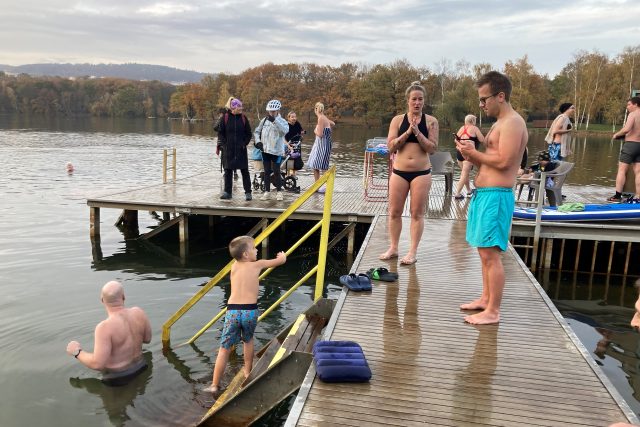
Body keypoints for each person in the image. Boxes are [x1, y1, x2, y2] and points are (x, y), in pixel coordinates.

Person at [456, 71, 528, 325]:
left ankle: (493, 311)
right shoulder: (500, 123)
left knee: (491, 254)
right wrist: (469, 152)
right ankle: (486, 299)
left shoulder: (513, 123)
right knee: (483, 251)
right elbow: (493, 157)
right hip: (485, 194)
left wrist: (473, 155)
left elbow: (504, 161)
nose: (481, 104)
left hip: (496, 197)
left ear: (501, 95)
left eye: (484, 99)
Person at [205, 236, 286, 394]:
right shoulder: (257, 265)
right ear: (246, 255)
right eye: (254, 248)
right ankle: (247, 372)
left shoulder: (234, 266)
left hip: (233, 311)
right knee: (247, 340)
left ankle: (214, 385)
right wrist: (282, 256)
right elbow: (278, 262)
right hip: (249, 311)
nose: (257, 250)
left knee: (224, 348)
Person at [379, 81, 439, 265]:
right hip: (399, 172)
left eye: (420, 99)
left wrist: (418, 133)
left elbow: (433, 149)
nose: (417, 103)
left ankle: (412, 252)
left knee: (416, 213)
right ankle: (394, 248)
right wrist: (407, 132)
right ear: (408, 100)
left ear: (424, 101)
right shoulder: (397, 120)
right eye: (414, 99)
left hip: (421, 173)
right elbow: (390, 147)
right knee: (394, 212)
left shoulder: (431, 121)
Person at [66, 281, 152, 384]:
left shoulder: (104, 328)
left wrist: (77, 352)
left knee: (122, 400)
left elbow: (97, 364)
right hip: (142, 367)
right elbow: (147, 339)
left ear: (102, 300)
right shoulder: (139, 313)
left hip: (118, 378)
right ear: (123, 297)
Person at [217, 98, 253, 201]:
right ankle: (227, 192)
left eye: (241, 106)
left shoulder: (243, 118)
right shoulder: (225, 118)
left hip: (241, 149)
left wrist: (244, 143)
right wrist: (224, 145)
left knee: (244, 170)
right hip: (229, 149)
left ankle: (248, 193)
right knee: (228, 170)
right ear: (233, 107)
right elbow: (220, 133)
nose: (241, 108)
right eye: (239, 106)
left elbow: (249, 133)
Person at [254, 99, 289, 201]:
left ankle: (279, 192)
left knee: (277, 171)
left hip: (277, 151)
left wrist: (275, 121)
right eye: (270, 111)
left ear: (278, 111)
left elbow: (284, 132)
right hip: (265, 150)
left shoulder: (282, 121)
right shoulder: (264, 120)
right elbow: (256, 132)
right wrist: (258, 141)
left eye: (273, 111)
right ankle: (267, 192)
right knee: (266, 171)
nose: (271, 113)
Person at [608, 97, 640, 203]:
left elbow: (627, 129)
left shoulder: (633, 114)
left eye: (629, 104)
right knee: (638, 172)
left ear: (636, 104)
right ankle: (638, 196)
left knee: (622, 170)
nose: (627, 107)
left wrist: (616, 134)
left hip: (630, 145)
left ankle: (617, 196)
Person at [453, 114, 485, 199]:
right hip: (468, 153)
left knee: (465, 174)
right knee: (464, 174)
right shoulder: (475, 128)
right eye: (475, 120)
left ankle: (468, 190)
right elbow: (482, 140)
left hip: (459, 152)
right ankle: (457, 193)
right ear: (472, 121)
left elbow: (455, 139)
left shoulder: (461, 128)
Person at [307, 102, 335, 191]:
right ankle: (321, 185)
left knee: (317, 165)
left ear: (316, 109)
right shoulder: (324, 117)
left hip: (322, 145)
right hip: (325, 144)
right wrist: (328, 126)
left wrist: (315, 130)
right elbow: (333, 123)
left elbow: (319, 134)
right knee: (321, 165)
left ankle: (319, 186)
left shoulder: (321, 118)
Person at [285, 111, 305, 176]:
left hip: (297, 144)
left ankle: (293, 174)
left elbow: (301, 131)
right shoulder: (286, 125)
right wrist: (287, 145)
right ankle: (288, 174)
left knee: (297, 159)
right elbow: (283, 137)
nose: (294, 118)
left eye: (295, 117)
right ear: (288, 118)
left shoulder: (297, 123)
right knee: (289, 159)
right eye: (292, 117)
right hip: (289, 144)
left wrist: (302, 133)